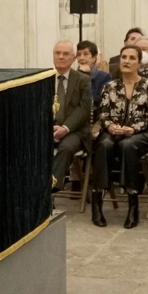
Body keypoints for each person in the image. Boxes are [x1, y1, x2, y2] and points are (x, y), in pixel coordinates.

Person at [86, 45, 148, 229]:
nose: (126, 61)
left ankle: (133, 205)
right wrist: (110, 126)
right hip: (113, 132)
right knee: (104, 145)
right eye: (124, 57)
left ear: (139, 63)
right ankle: (97, 203)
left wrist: (132, 129)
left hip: (142, 133)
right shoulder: (110, 86)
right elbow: (103, 113)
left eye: (131, 58)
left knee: (128, 145)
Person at [47, 40, 91, 192]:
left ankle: (51, 190)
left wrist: (65, 128)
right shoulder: (44, 79)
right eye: (57, 53)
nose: (61, 57)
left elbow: (84, 109)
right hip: (49, 129)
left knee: (66, 148)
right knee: (33, 146)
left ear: (73, 58)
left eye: (66, 54)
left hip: (74, 131)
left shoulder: (83, 80)